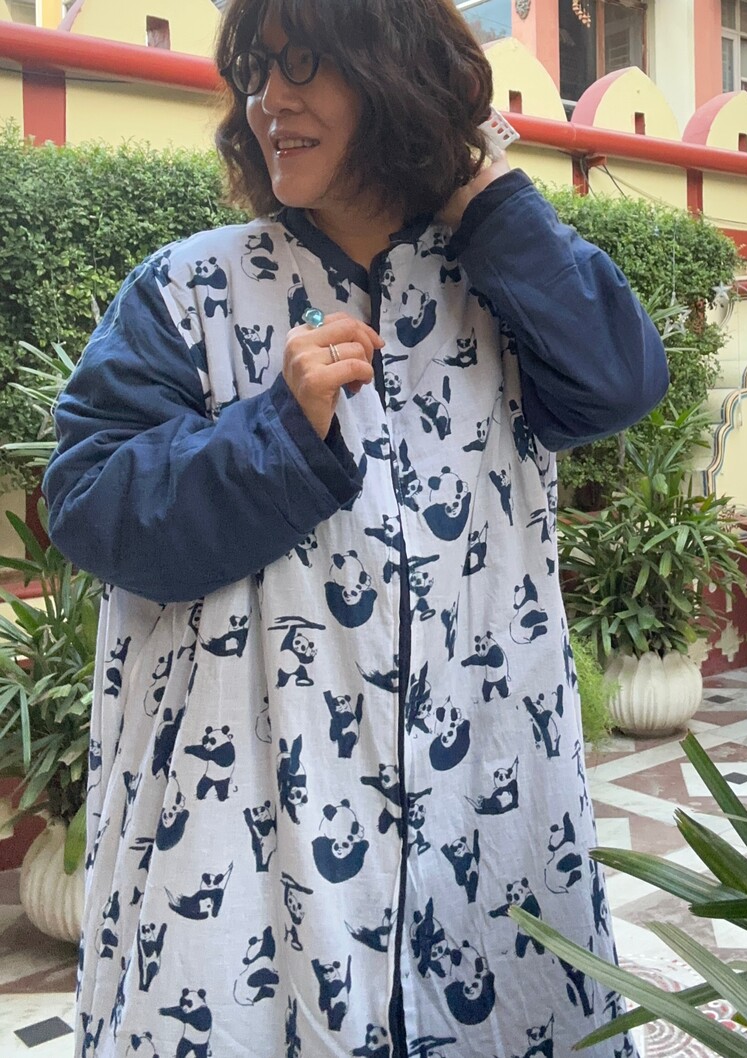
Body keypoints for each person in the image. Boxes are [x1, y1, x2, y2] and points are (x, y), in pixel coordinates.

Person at [43, 0, 669, 1054]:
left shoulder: (503, 289)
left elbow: (618, 382)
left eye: (305, 67)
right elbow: (90, 502)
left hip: (482, 818)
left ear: (396, 80)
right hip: (246, 829)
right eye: (257, 74)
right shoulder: (191, 289)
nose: (268, 103)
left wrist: (488, 200)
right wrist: (278, 435)